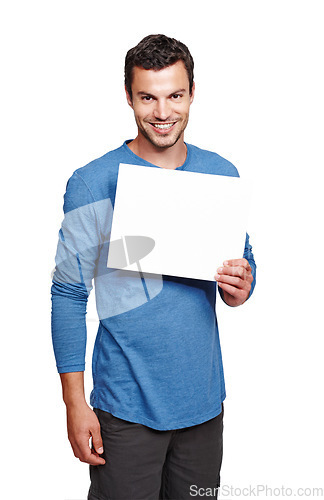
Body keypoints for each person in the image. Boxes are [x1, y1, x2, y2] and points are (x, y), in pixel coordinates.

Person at [51, 34, 256, 500]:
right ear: (129, 96)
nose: (162, 112)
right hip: (125, 411)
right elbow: (68, 294)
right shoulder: (91, 182)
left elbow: (243, 266)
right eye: (148, 97)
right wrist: (74, 403)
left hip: (203, 408)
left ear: (192, 93)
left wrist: (242, 286)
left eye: (174, 95)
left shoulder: (220, 175)